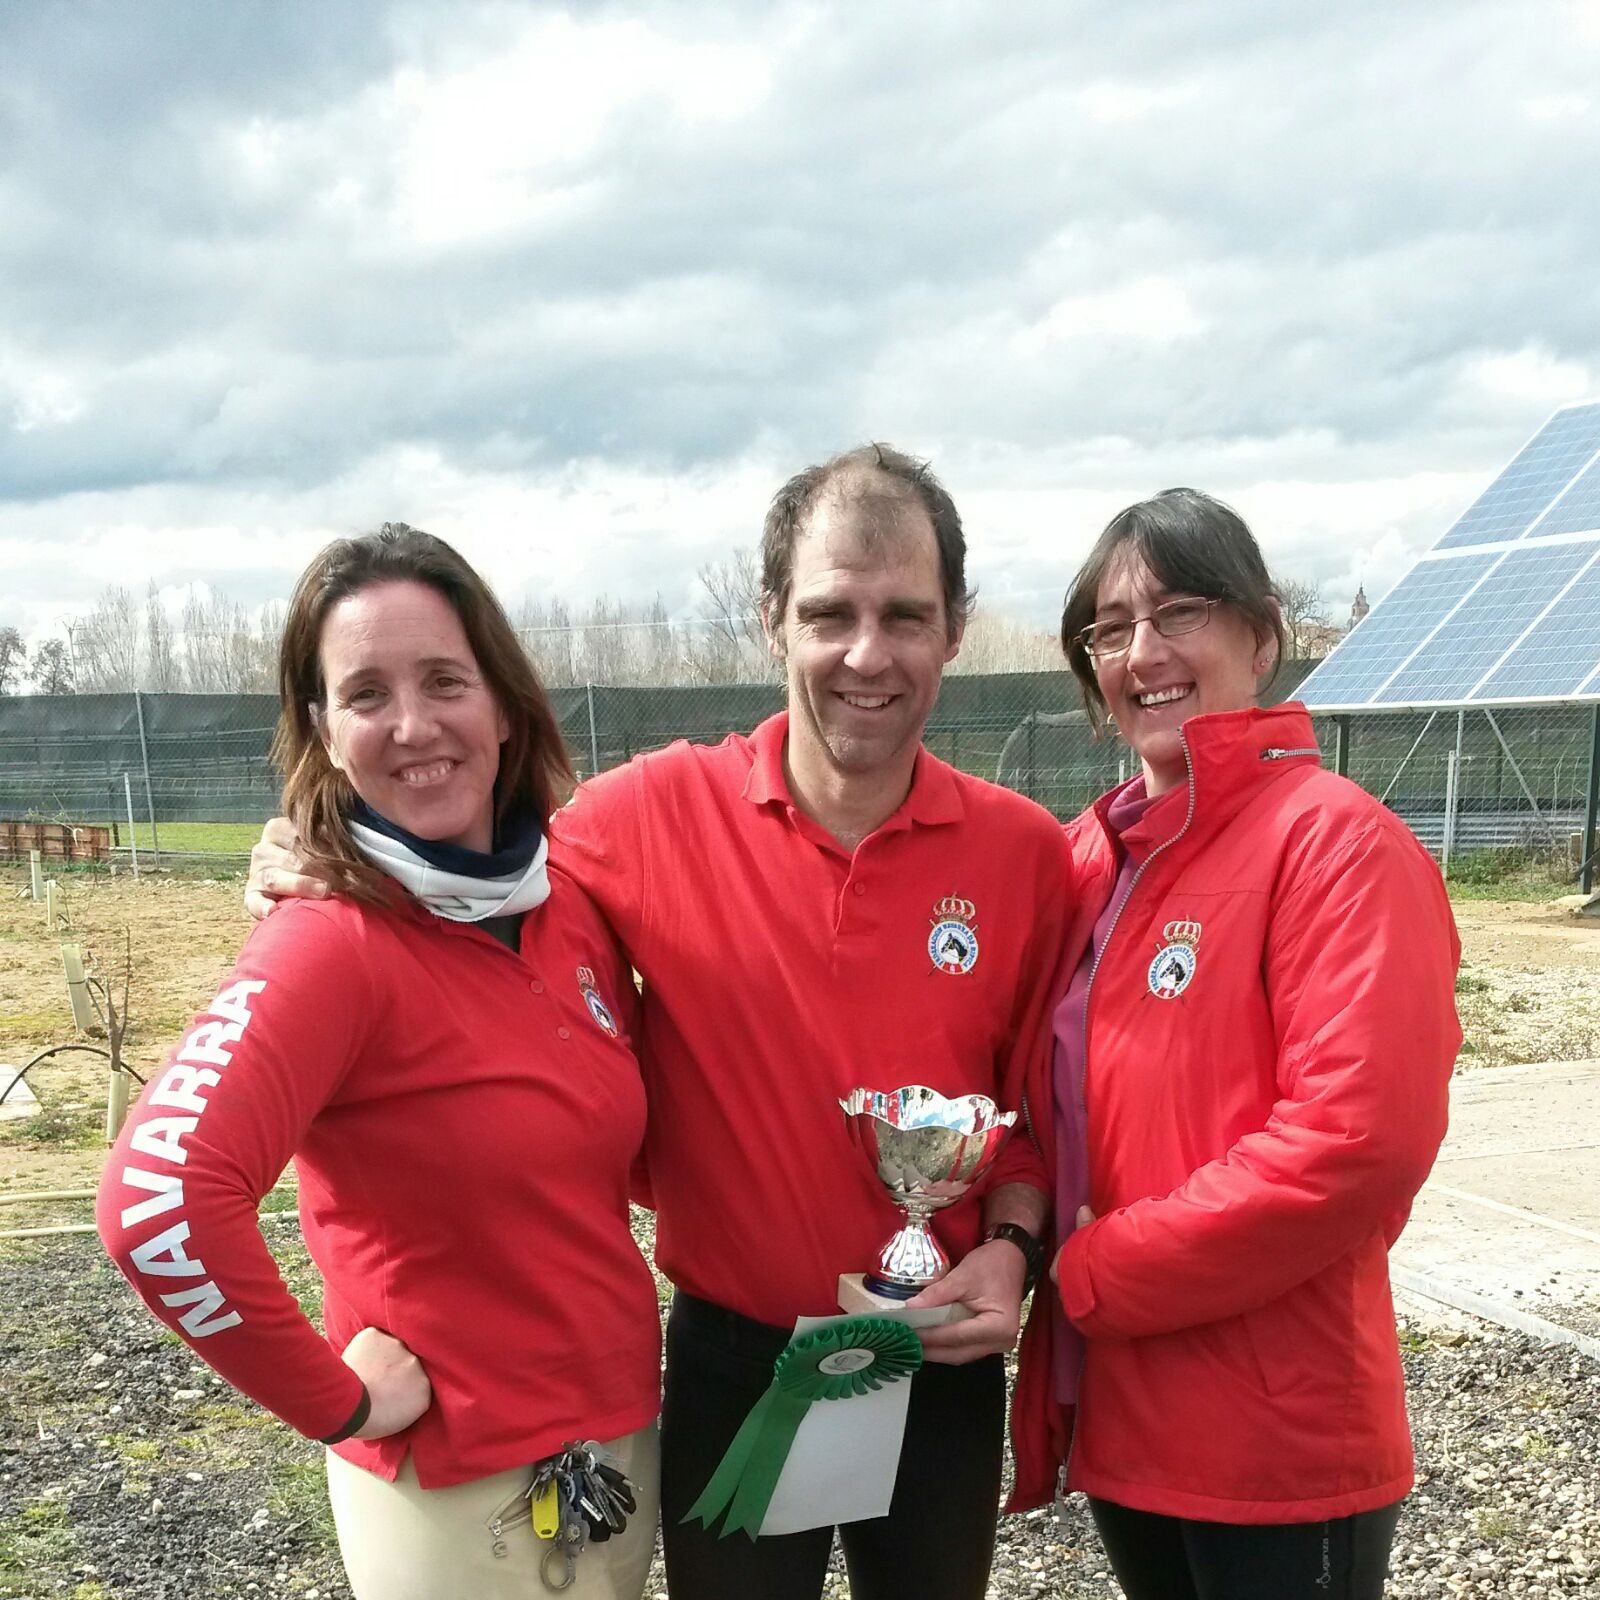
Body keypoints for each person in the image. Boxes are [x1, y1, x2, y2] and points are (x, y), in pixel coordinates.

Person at [247, 446, 1073, 1600]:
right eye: (830, 612)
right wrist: (319, 843)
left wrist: (1014, 1249)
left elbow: (1034, 1114)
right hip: (735, 1361)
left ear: (955, 627)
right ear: (772, 619)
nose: (867, 653)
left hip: (938, 1357)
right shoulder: (638, 821)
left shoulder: (1028, 856)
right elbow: (462, 861)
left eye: (905, 614)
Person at [98, 525, 662, 1600]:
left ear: (503, 702)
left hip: (611, 1442)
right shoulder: (329, 938)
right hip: (459, 1490)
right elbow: (154, 1202)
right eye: (366, 694)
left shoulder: (565, 905)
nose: (413, 726)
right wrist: (334, 1400)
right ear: (321, 727)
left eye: (444, 680)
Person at [1008, 488, 1461, 1600]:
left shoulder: (1337, 847)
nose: (1142, 651)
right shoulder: (1082, 861)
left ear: (1262, 634)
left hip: (1275, 1437)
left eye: (1179, 611)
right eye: (1109, 628)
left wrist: (1097, 1271)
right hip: (1122, 1414)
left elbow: (1351, 1146)